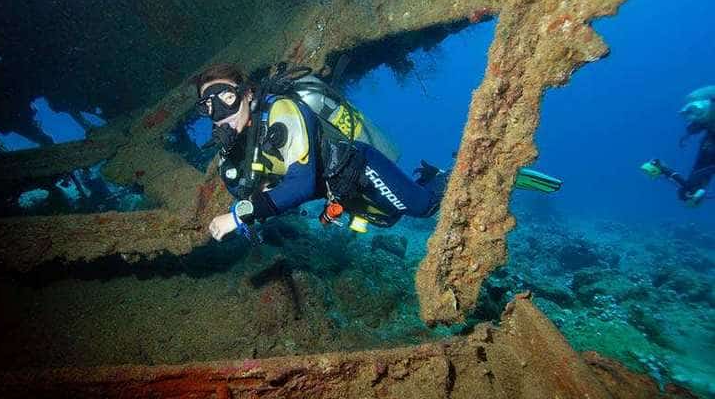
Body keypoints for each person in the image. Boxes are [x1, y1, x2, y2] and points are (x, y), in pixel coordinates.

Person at [194, 63, 560, 242]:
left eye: (225, 98)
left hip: (359, 165)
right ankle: (430, 177)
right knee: (388, 219)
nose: (219, 113)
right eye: (208, 107)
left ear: (247, 93)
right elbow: (252, 187)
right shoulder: (238, 144)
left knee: (420, 207)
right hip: (341, 187)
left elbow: (302, 185)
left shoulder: (282, 112)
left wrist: (238, 217)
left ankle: (487, 167)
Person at [642, 86, 715, 207]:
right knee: (689, 191)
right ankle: (664, 170)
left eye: (696, 110)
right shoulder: (708, 138)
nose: (692, 117)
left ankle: (665, 171)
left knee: (691, 189)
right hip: (710, 143)